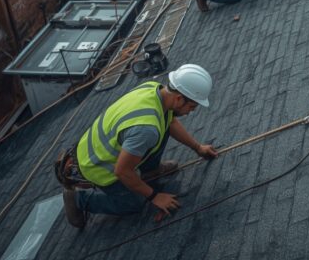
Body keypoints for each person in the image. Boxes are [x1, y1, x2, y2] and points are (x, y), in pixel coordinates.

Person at [63, 64, 218, 228]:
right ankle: (78, 200)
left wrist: (198, 148)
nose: (190, 112)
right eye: (192, 107)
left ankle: (148, 171)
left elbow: (170, 121)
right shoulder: (146, 128)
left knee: (161, 126)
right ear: (179, 98)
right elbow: (122, 171)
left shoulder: (154, 89)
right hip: (97, 166)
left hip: (102, 147)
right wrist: (155, 197)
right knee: (134, 203)